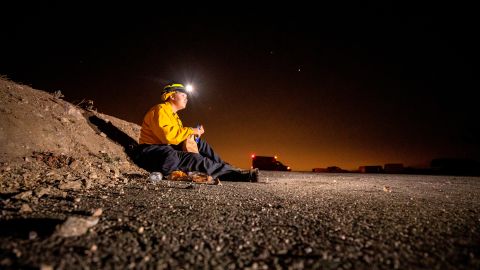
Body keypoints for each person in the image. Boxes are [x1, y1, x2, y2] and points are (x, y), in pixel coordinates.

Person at [135, 83, 259, 182]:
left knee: (201, 144)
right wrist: (192, 130)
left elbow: (178, 136)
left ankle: (228, 168)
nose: (186, 98)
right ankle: (234, 174)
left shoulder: (174, 116)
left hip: (166, 149)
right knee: (192, 158)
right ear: (172, 96)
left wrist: (195, 136)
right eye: (183, 95)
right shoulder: (160, 109)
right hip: (152, 151)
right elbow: (168, 136)